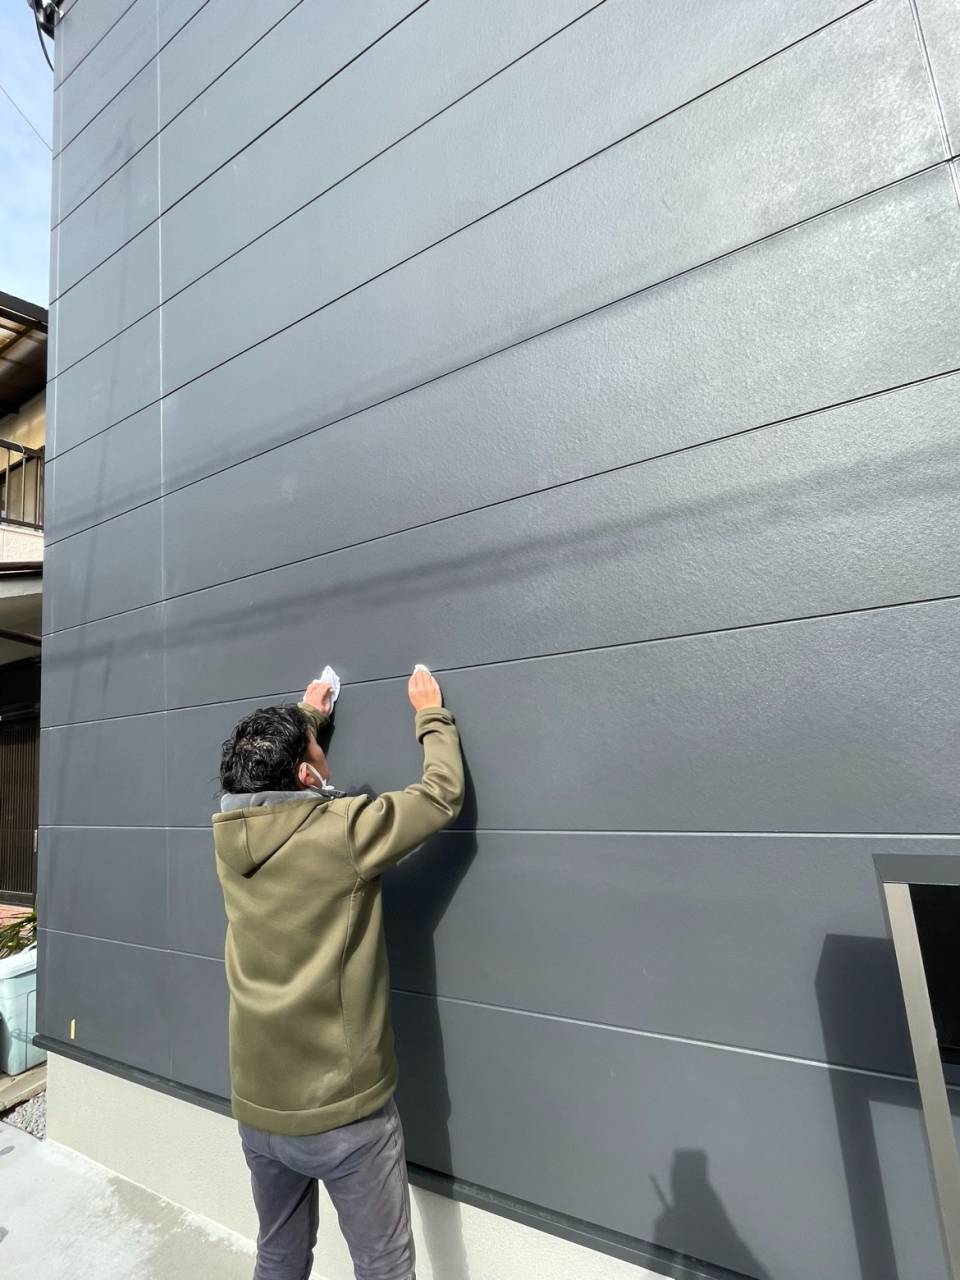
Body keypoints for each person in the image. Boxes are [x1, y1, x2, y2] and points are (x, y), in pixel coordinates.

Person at [212, 666, 464, 1280]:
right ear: (306, 774)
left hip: (257, 1106)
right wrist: (430, 714)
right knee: (383, 1266)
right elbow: (439, 796)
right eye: (315, 751)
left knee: (278, 1255)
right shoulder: (344, 830)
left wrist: (307, 717)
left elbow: (273, 785)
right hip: (343, 1116)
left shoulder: (227, 838)